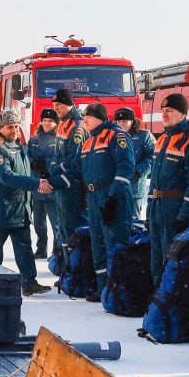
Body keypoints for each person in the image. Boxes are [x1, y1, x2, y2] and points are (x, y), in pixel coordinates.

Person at [0, 108, 53, 295]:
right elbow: (7, 177)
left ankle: (29, 282)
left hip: (20, 210)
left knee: (25, 250)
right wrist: (36, 183)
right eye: (9, 127)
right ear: (1, 128)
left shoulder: (21, 148)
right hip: (1, 211)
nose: (14, 130)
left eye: (16, 126)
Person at [76, 102, 136, 301]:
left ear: (100, 118)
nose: (85, 121)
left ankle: (117, 288)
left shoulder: (116, 135)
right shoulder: (88, 141)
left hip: (111, 196)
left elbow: (126, 167)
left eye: (89, 118)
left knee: (114, 241)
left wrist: (113, 198)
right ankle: (103, 288)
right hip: (93, 198)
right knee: (97, 243)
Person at [147, 93, 189, 283]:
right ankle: (159, 298)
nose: (164, 114)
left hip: (176, 207)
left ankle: (175, 300)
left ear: (183, 114)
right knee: (157, 255)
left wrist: (185, 214)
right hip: (158, 207)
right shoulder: (163, 139)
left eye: (170, 111)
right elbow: (155, 180)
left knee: (176, 258)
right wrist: (150, 209)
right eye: (163, 110)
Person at [51, 88, 86, 247]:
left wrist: (57, 170)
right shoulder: (63, 123)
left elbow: (75, 160)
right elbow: (57, 153)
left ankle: (74, 266)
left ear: (68, 104)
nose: (55, 108)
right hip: (61, 183)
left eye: (58, 104)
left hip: (71, 184)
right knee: (63, 228)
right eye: (54, 105)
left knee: (71, 228)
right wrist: (51, 169)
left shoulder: (76, 126)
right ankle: (65, 264)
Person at [27, 107, 62, 258]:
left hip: (51, 188)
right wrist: (33, 162)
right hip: (36, 187)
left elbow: (60, 160)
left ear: (56, 123)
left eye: (50, 121)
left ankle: (57, 250)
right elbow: (26, 156)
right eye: (45, 121)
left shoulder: (59, 139)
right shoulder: (34, 139)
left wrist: (47, 165)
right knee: (38, 223)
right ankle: (41, 248)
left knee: (56, 223)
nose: (47, 123)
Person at [115, 106, 154, 219]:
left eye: (125, 121)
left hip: (134, 187)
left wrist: (139, 171)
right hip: (116, 186)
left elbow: (152, 156)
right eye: (119, 121)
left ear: (132, 122)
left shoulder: (144, 136)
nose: (121, 124)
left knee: (133, 221)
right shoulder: (113, 136)